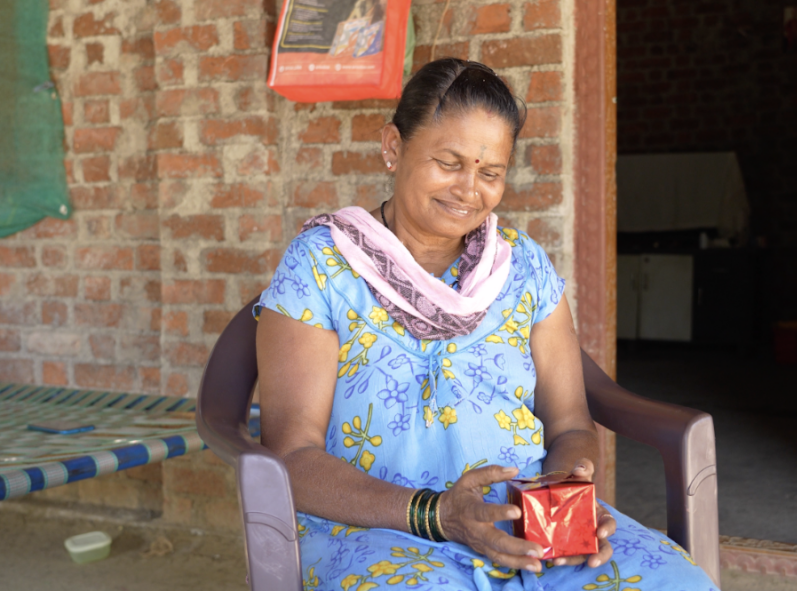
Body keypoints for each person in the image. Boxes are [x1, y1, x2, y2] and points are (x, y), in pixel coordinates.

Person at [255, 58, 719, 591]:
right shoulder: (322, 265)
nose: (468, 189)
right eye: (448, 163)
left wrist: (563, 501)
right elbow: (292, 456)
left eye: (490, 173)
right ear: (393, 147)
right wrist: (436, 514)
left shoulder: (522, 268)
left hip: (522, 524)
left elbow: (570, 425)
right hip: (377, 529)